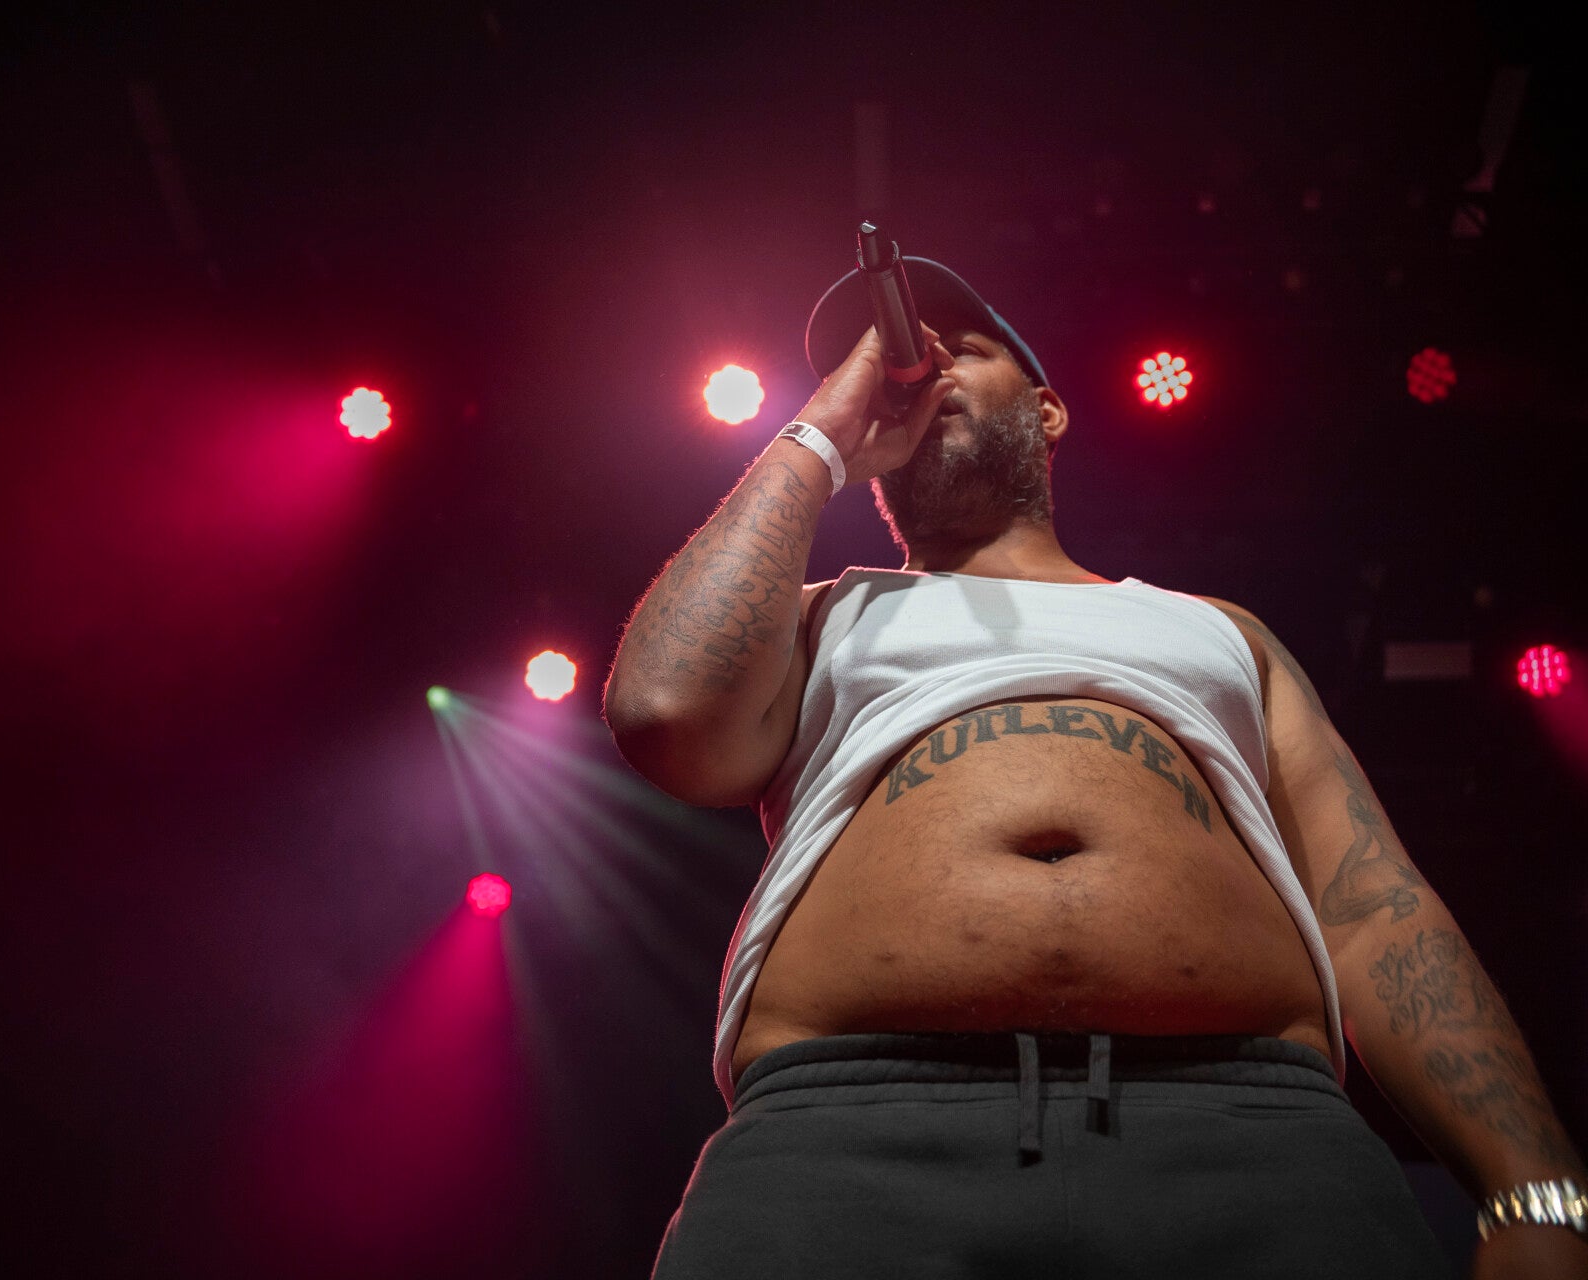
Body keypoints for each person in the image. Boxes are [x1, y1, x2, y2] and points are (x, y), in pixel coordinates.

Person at [602, 255, 1587, 1278]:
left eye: (958, 351)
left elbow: (1373, 905)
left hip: (1249, 1134)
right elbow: (665, 714)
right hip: (852, 1132)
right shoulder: (818, 616)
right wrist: (818, 435)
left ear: (1048, 411)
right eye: (888, 361)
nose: (917, 371)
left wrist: (1536, 1190)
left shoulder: (1220, 631)